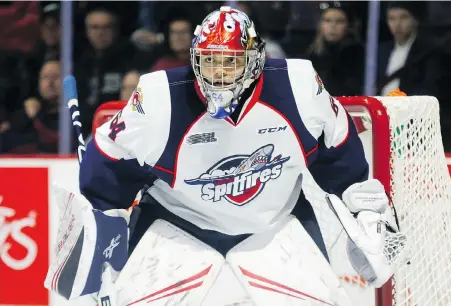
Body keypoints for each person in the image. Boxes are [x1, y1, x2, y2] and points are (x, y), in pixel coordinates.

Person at [45, 6, 407, 303]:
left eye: (230, 62)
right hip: (176, 223)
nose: (217, 74)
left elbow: (340, 156)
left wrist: (368, 213)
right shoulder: (159, 100)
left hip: (276, 225)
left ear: (254, 61)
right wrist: (103, 217)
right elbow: (106, 161)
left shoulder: (298, 88)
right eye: (208, 61)